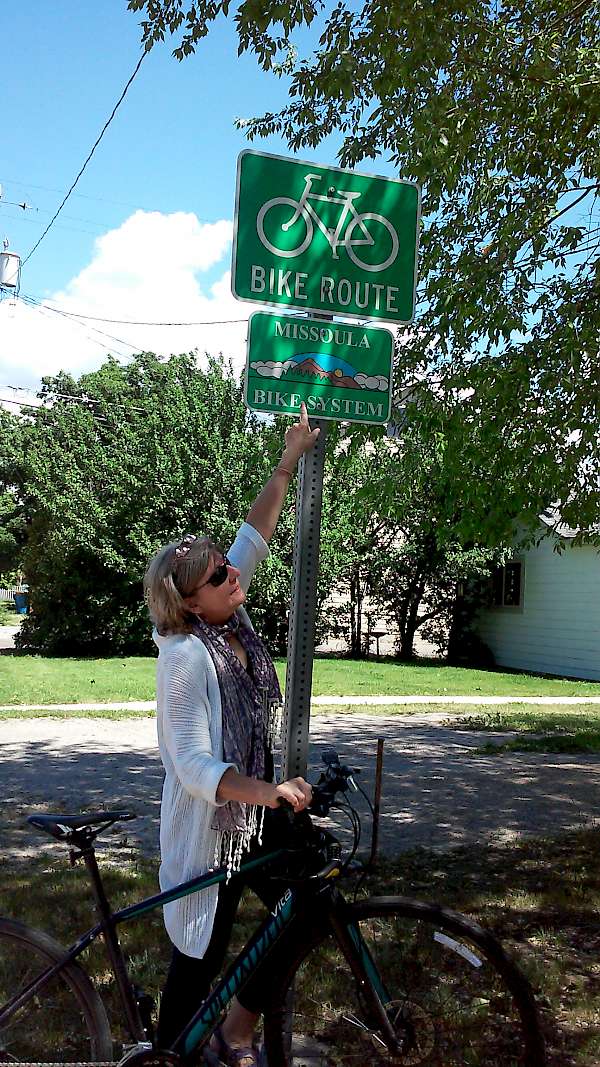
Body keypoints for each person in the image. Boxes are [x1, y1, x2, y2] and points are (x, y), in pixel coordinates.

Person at [143, 403, 320, 1067]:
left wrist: (288, 456)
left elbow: (256, 532)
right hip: (211, 827)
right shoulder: (186, 657)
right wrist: (268, 788)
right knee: (198, 958)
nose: (232, 572)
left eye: (225, 565)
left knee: (301, 908)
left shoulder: (226, 619)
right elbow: (191, 765)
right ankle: (166, 1054)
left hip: (252, 812)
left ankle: (237, 1029)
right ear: (190, 601)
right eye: (218, 575)